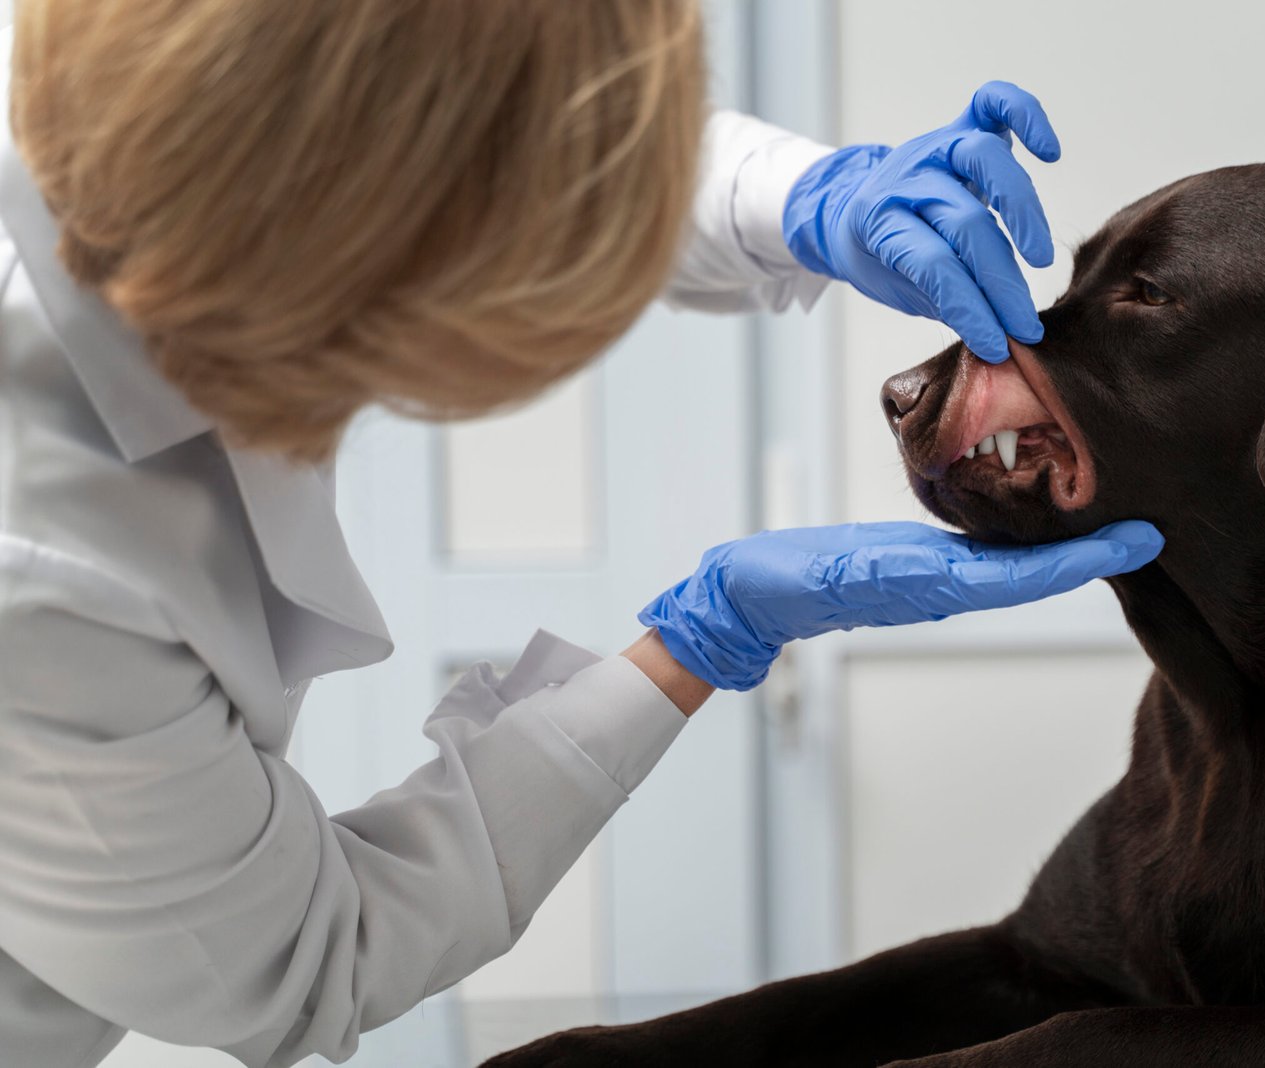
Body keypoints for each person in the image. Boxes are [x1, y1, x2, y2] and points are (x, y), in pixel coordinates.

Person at [0, 2, 1163, 1065]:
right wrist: (702, 641)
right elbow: (302, 959)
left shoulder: (201, 145)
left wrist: (810, 197)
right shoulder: (49, 572)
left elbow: (506, 150)